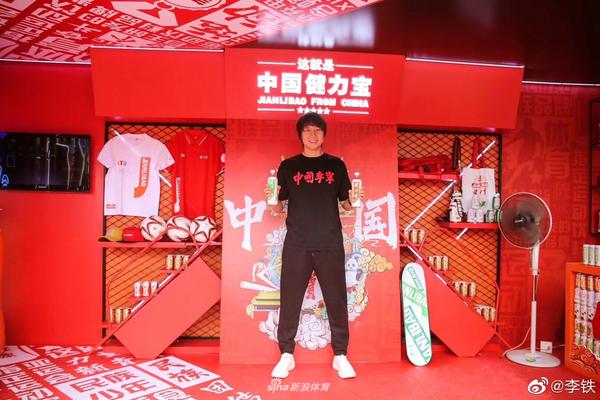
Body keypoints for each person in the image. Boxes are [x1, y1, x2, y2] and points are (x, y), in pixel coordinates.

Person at [265, 112, 357, 379]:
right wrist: (272, 199)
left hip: (329, 242)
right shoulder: (289, 167)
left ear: (324, 134)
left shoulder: (336, 166)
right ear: (300, 135)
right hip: (297, 243)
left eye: (317, 130)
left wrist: (355, 199)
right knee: (290, 298)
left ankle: (341, 355)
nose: (313, 135)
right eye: (307, 130)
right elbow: (278, 209)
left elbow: (347, 205)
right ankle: (286, 354)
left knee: (336, 299)